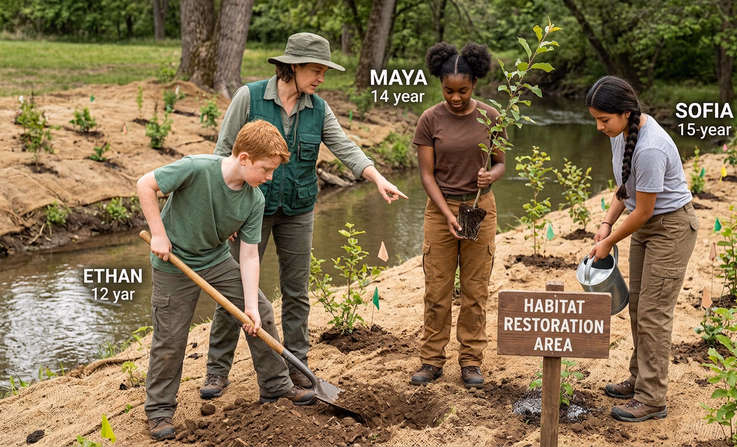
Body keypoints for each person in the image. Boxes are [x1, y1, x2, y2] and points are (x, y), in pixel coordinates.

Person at [204, 32, 407, 397]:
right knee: (234, 291)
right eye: (315, 70)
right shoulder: (248, 98)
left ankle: (296, 366)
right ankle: (217, 370)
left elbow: (345, 146)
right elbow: (223, 155)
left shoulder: (319, 108)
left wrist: (377, 178)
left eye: (323, 72)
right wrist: (225, 213)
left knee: (297, 293)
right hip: (250, 211)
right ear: (292, 66)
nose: (321, 78)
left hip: (298, 211)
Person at [137, 121, 315, 441]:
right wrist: (159, 235)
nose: (269, 177)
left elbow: (248, 256)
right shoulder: (196, 168)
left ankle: (275, 387)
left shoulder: (254, 200)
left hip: (215, 260)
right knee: (171, 338)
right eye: (266, 169)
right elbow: (144, 185)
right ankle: (160, 410)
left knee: (260, 309)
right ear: (244, 158)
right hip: (172, 264)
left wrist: (248, 307)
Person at [586, 75, 699, 422]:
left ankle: (652, 397)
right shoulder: (622, 134)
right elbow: (626, 190)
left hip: (671, 228)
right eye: (595, 120)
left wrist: (608, 242)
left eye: (604, 120)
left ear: (625, 113)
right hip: (646, 226)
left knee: (654, 313)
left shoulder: (650, 147)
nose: (599, 127)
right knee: (638, 306)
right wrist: (606, 223)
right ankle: (639, 379)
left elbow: (645, 210)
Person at [410, 41, 505, 389]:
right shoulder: (429, 119)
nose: (454, 97)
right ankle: (432, 359)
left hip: (479, 207)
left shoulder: (492, 117)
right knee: (437, 288)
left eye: (462, 91)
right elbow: (426, 174)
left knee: (475, 289)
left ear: (475, 83)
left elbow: (500, 164)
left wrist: (489, 176)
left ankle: (471, 361)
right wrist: (445, 212)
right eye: (448, 90)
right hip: (440, 210)